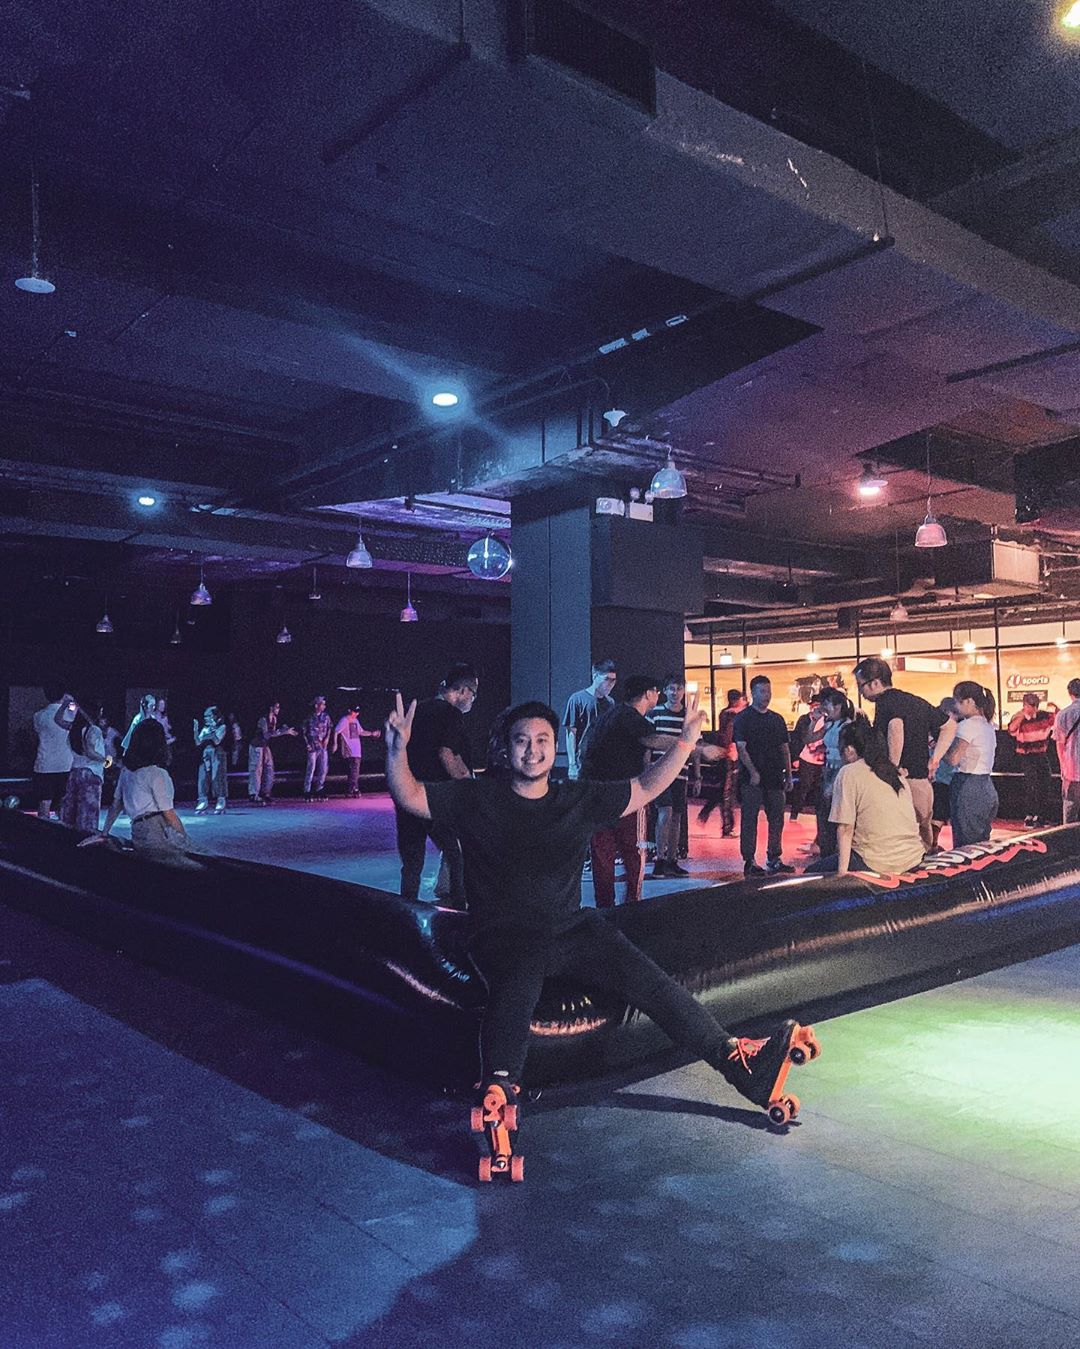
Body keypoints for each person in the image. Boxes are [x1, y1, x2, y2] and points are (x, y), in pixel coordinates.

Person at [384, 689, 820, 1144]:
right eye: (521, 741)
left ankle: (737, 1063)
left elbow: (646, 787)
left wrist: (686, 743)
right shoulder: (478, 797)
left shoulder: (576, 798)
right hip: (502, 933)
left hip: (570, 928)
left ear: (555, 747)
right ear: (505, 749)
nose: (532, 750)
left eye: (542, 740)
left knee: (653, 984)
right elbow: (411, 796)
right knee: (517, 985)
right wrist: (397, 749)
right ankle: (498, 1091)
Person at [395, 663, 478, 906]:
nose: (473, 700)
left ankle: (406, 910)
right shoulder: (451, 714)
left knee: (411, 862)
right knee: (455, 854)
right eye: (473, 694)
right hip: (437, 797)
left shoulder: (417, 711)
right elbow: (447, 754)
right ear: (462, 691)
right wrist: (470, 785)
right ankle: (460, 909)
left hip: (408, 794)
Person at [852, 657, 956, 851]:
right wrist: (935, 759)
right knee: (924, 838)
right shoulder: (915, 700)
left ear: (875, 683)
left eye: (861, 685)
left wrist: (892, 768)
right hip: (922, 783)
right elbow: (949, 726)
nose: (860, 692)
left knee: (901, 843)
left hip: (902, 782)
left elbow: (896, 726)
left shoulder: (885, 703)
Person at [805, 720, 925, 876]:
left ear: (849, 750)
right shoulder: (895, 774)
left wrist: (842, 874)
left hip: (875, 861)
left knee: (810, 873)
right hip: (912, 858)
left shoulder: (849, 772)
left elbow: (845, 828)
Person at [80, 719, 193, 859]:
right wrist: (186, 840)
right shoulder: (157, 774)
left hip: (138, 830)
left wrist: (104, 833)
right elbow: (169, 814)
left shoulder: (126, 771)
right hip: (157, 830)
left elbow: (116, 804)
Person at [733, 675, 794, 876]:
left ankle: (774, 857)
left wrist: (788, 775)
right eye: (762, 691)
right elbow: (741, 748)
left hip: (774, 776)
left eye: (768, 691)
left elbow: (784, 748)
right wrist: (753, 772)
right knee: (750, 818)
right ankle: (749, 860)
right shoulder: (743, 718)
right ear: (753, 693)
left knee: (777, 818)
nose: (767, 695)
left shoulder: (777, 719)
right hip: (752, 779)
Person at [645, 675, 695, 878]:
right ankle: (660, 858)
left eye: (679, 689)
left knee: (676, 816)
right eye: (671, 689)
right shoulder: (655, 713)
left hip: (681, 773)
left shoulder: (688, 716)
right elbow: (647, 743)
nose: (675, 693)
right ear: (664, 691)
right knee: (665, 813)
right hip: (660, 771)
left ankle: (672, 860)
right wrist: (647, 769)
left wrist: (697, 775)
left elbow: (695, 746)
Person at [806, 688, 859, 860]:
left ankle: (836, 851)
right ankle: (826, 849)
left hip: (839, 771)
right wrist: (814, 721)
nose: (824, 708)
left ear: (838, 706)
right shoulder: (830, 725)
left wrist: (836, 780)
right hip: (828, 769)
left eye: (827, 704)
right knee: (824, 811)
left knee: (835, 811)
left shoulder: (848, 726)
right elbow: (810, 738)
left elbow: (848, 756)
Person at [945, 681, 998, 847]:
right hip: (986, 785)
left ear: (969, 701)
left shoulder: (967, 726)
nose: (956, 706)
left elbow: (953, 758)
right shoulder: (988, 725)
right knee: (981, 844)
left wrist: (938, 747)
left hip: (968, 786)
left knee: (965, 845)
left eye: (957, 701)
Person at [698, 689, 745, 834]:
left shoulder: (726, 714)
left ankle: (706, 813)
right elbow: (728, 735)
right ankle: (727, 827)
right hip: (729, 756)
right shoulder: (732, 716)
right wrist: (730, 748)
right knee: (727, 792)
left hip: (726, 756)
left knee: (723, 790)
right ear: (736, 700)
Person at [562, 659, 617, 780]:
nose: (610, 684)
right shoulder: (577, 699)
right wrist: (572, 764)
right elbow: (571, 733)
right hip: (582, 762)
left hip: (604, 762)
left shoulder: (610, 702)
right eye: (607, 679)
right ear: (595, 676)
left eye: (613, 680)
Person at [59, 701, 108, 832]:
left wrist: (64, 705)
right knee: (87, 815)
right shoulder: (94, 729)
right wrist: (106, 760)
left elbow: (58, 720)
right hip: (91, 773)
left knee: (71, 812)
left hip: (75, 771)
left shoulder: (74, 728)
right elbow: (90, 751)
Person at [1008, 693, 1054, 826]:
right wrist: (1022, 715)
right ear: (1024, 705)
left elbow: (1058, 720)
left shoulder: (1043, 715)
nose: (1033, 709)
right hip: (1027, 756)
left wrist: (1056, 708)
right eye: (1030, 706)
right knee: (1031, 785)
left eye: (1035, 706)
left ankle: (1041, 815)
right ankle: (1029, 815)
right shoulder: (1018, 717)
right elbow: (1011, 729)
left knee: (1045, 783)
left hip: (1041, 754)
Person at [32, 685, 74, 820]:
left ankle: (42, 828)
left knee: (44, 801)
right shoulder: (71, 714)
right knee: (63, 801)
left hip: (44, 764)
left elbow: (38, 733)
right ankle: (62, 828)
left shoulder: (38, 715)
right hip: (66, 763)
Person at [247, 701, 297, 804]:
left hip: (265, 746)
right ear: (271, 708)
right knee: (256, 770)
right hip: (256, 746)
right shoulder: (263, 719)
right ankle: (253, 794)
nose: (278, 709)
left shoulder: (274, 718)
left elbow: (272, 733)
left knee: (269, 768)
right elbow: (266, 734)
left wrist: (283, 731)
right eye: (276, 707)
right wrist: (283, 732)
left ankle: (265, 793)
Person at [789, 695, 824, 829]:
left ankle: (819, 816)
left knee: (820, 789)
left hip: (822, 760)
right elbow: (798, 738)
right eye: (813, 705)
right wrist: (795, 758)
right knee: (804, 786)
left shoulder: (827, 720)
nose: (815, 708)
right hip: (806, 758)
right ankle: (794, 813)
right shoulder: (804, 719)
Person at [930, 697, 959, 851]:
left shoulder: (935, 731)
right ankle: (932, 844)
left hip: (940, 778)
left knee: (938, 814)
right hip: (944, 779)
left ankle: (932, 844)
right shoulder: (950, 730)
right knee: (939, 814)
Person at [334, 706, 381, 797]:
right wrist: (335, 744)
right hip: (349, 749)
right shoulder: (344, 720)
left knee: (354, 770)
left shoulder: (356, 721)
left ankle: (351, 789)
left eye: (357, 712)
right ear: (349, 711)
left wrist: (372, 733)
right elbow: (336, 731)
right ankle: (353, 789)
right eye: (354, 712)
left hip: (356, 750)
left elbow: (361, 732)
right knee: (354, 769)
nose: (356, 714)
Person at [1052, 678, 1080, 825]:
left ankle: (1069, 837)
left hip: (1072, 767)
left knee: (1070, 806)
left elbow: (1060, 743)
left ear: (1070, 693)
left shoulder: (1063, 714)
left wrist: (1063, 767)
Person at [194, 705, 228, 814]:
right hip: (206, 753)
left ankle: (221, 800)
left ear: (215, 716)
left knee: (217, 776)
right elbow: (198, 742)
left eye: (208, 716)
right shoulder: (205, 728)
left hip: (218, 753)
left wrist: (212, 731)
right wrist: (196, 730)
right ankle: (202, 800)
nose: (206, 718)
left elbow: (217, 741)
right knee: (203, 776)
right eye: (205, 716)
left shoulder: (222, 727)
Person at [302, 695, 333, 800]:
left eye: (324, 704)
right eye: (322, 704)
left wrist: (327, 739)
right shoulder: (309, 717)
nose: (324, 706)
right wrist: (307, 744)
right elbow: (304, 732)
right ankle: (307, 790)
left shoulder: (326, 716)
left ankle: (320, 788)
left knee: (323, 768)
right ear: (316, 705)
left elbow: (329, 728)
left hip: (323, 746)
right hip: (313, 746)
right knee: (311, 768)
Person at [97, 709, 122, 806]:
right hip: (101, 759)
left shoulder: (113, 732)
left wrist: (116, 760)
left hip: (112, 759)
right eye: (100, 720)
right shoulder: (96, 731)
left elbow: (119, 746)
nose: (102, 722)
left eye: (103, 720)